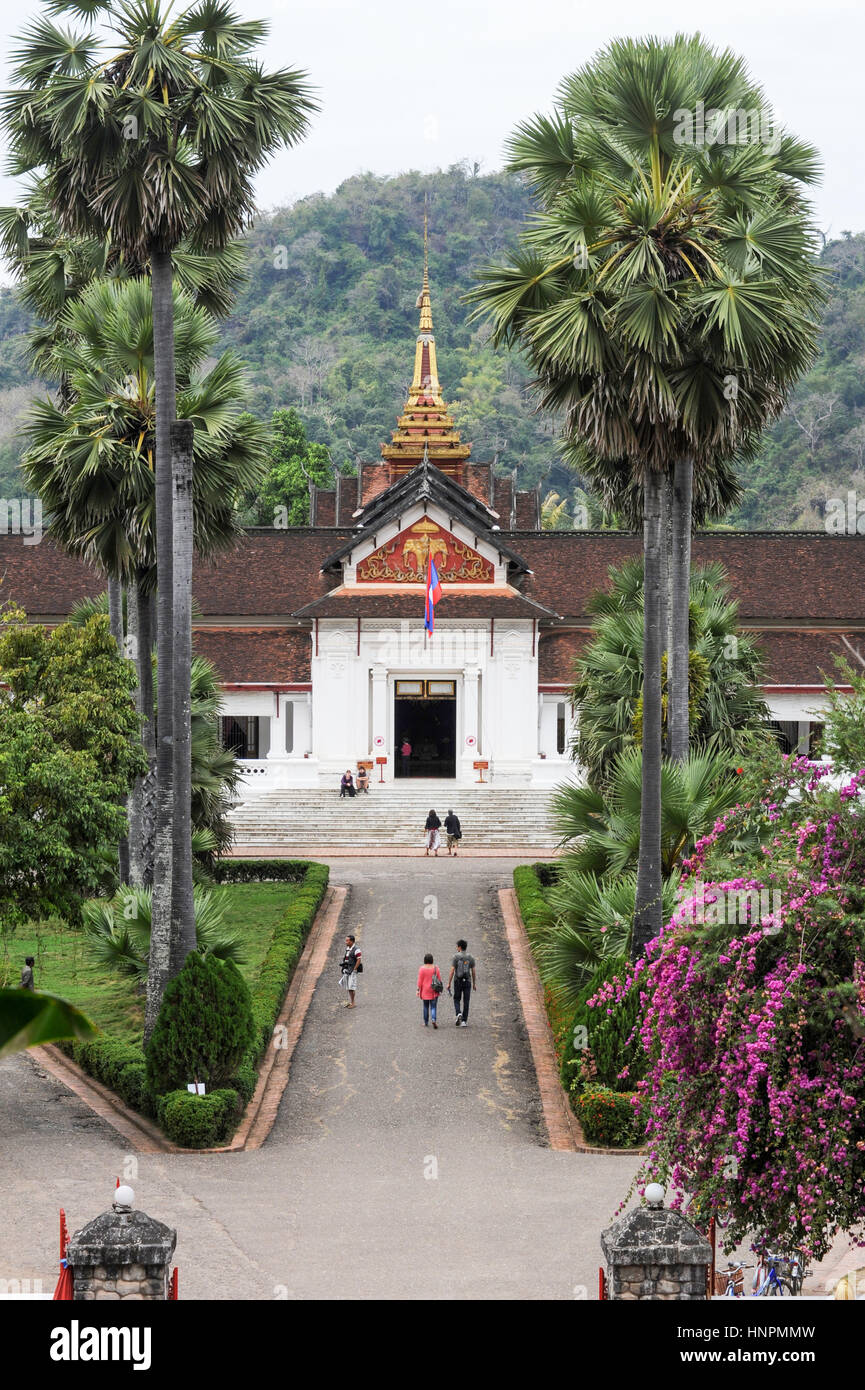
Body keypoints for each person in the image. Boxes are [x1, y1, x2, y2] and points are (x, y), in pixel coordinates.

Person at [447, 939, 477, 1026]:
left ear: (459, 947)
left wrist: (449, 983)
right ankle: (464, 1021)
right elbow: (473, 971)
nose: (457, 948)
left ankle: (458, 1013)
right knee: (466, 1001)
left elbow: (452, 970)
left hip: (458, 981)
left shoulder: (456, 957)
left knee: (456, 999)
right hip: (467, 981)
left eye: (457, 946)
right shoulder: (470, 957)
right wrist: (474, 984)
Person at [417, 952, 442, 1028]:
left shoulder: (422, 969)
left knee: (425, 1006)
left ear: (424, 960)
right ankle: (433, 1019)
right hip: (434, 990)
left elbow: (420, 981)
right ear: (432, 960)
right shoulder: (436, 968)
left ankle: (426, 1022)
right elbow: (439, 979)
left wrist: (418, 989)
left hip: (425, 991)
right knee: (433, 1007)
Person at [339, 934, 362, 1007]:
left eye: (347, 941)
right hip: (347, 970)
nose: (346, 942)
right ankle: (352, 1002)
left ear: (351, 941)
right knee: (349, 987)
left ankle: (353, 1003)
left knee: (351, 987)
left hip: (352, 971)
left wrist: (354, 969)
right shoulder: (348, 948)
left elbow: (359, 960)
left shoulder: (356, 949)